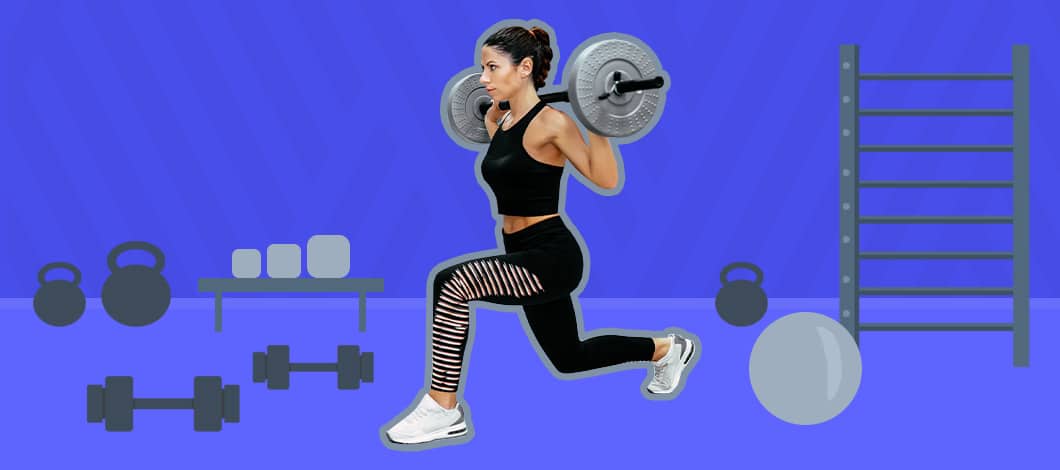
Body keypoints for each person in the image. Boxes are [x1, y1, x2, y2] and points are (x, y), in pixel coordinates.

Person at [383, 25, 698, 446]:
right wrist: (495, 113)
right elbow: (501, 143)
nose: (483, 78)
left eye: (492, 67)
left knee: (452, 283)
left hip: (551, 255)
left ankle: (443, 407)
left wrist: (598, 118)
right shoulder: (501, 118)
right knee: (570, 357)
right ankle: (665, 349)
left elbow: (605, 179)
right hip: (519, 251)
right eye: (482, 68)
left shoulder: (554, 123)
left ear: (525, 67)